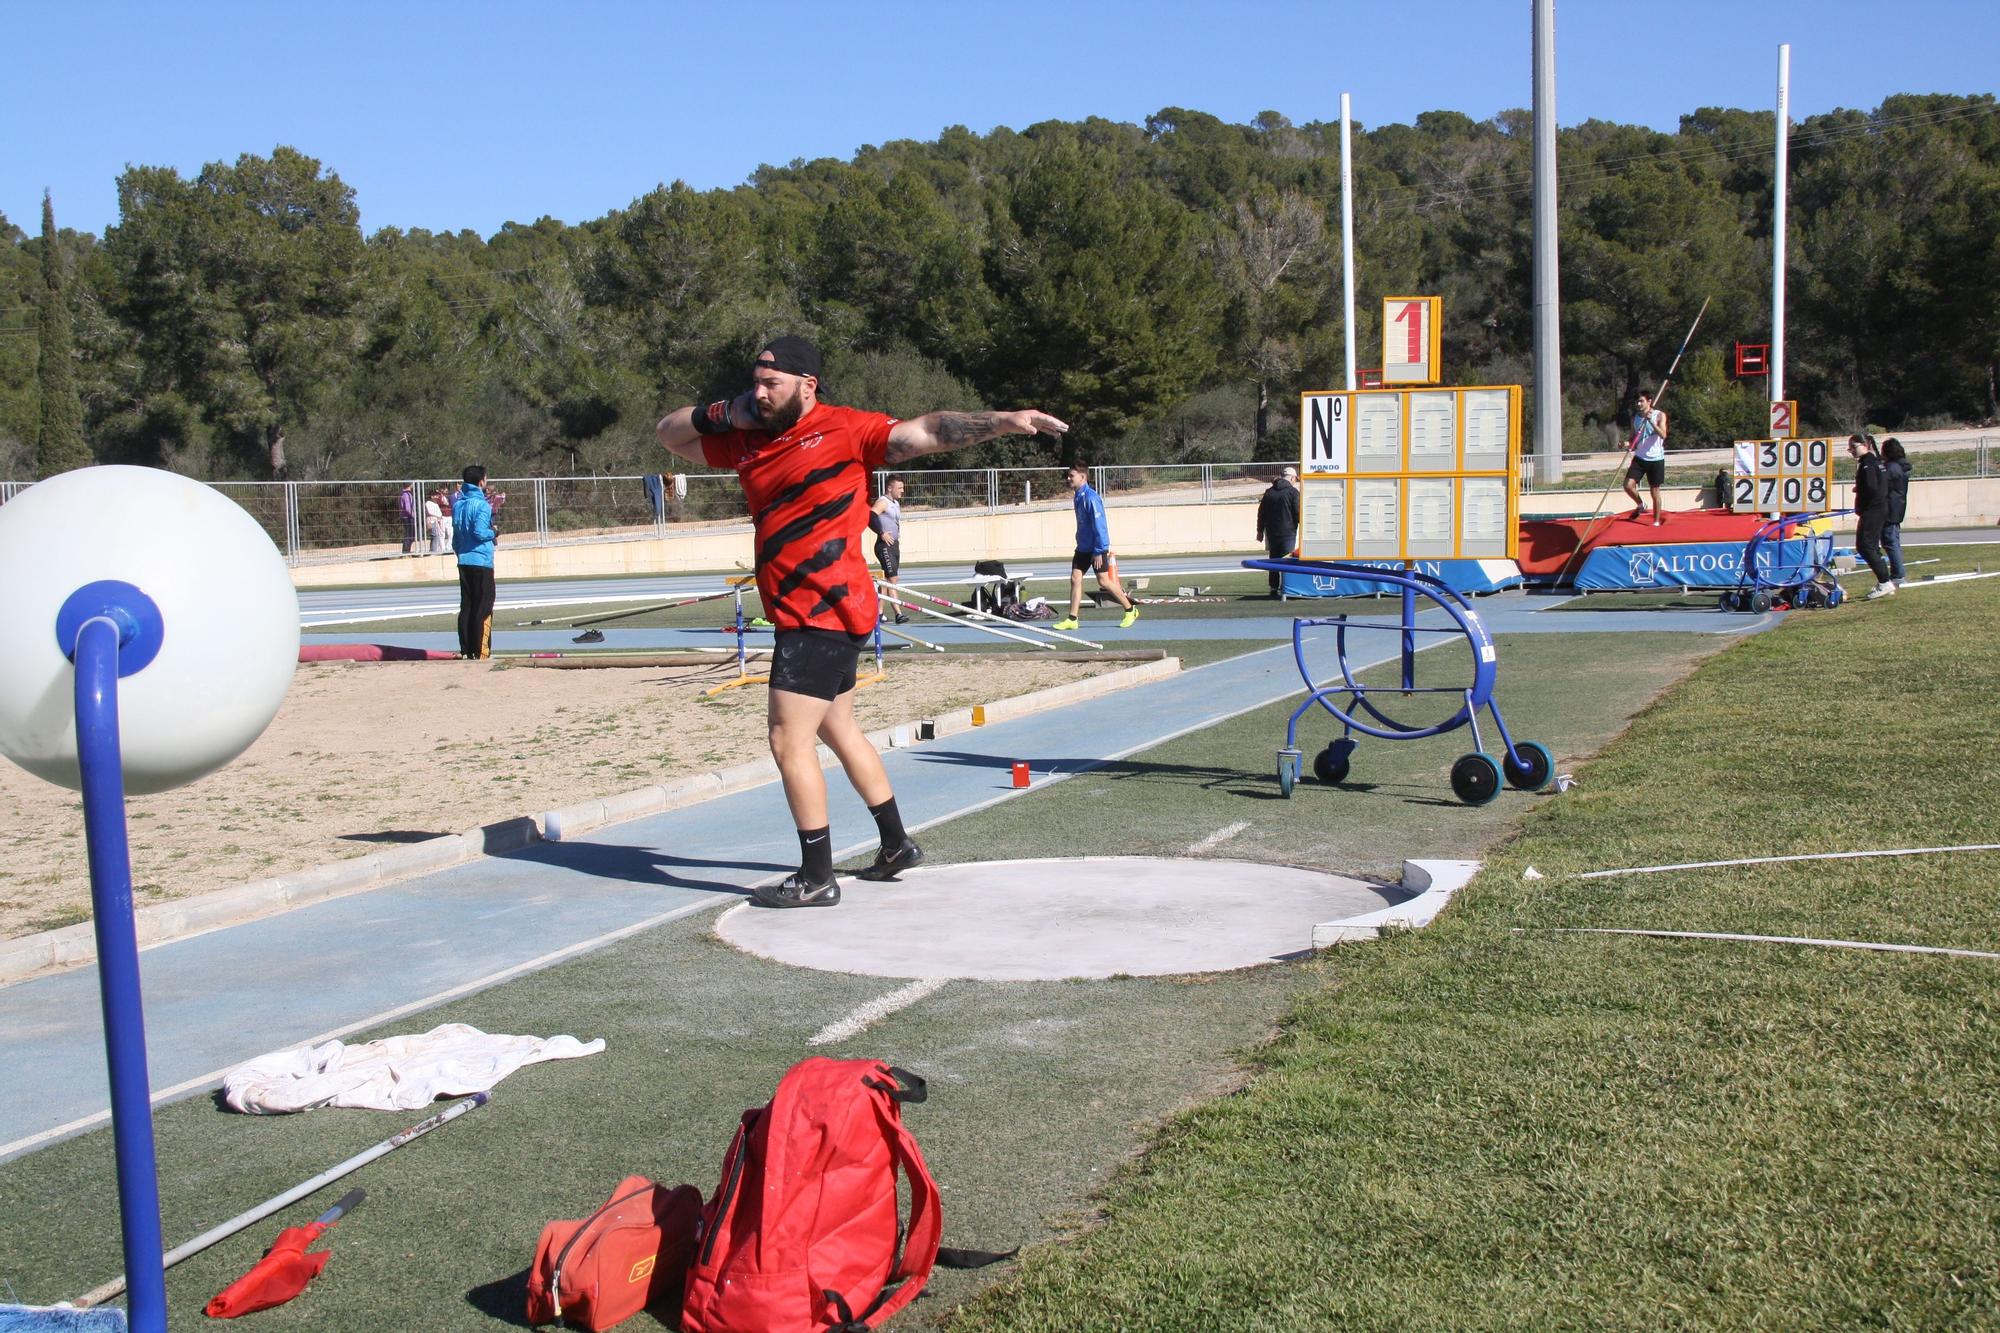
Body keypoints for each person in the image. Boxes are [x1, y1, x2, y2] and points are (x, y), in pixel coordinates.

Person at [655, 335, 1067, 908]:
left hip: (818, 609)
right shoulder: (746, 441)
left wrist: (1004, 420)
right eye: (755, 382)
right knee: (837, 728)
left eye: (771, 383)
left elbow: (927, 431)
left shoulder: (846, 429)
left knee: (786, 738)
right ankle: (896, 844)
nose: (760, 392)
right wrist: (722, 411)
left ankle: (817, 876)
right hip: (825, 609)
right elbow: (671, 435)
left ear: (808, 385)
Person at [1053, 463, 1138, 631]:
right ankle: (1072, 618)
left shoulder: (1091, 498)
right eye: (1068, 475)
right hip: (1083, 547)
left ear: (1082, 477)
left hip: (1096, 549)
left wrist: (1099, 551)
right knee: (1075, 579)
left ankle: (1130, 609)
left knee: (1104, 581)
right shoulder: (1077, 496)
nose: (1068, 478)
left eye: (1072, 476)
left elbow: (1100, 526)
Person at [452, 465, 500, 657]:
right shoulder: (481, 505)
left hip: (463, 560)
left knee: (467, 606)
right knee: (484, 606)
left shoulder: (458, 505)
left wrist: (460, 553)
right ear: (481, 482)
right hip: (481, 561)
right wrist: (494, 532)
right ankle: (481, 650)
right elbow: (480, 532)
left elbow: (456, 537)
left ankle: (466, 649)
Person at [1848, 434, 1895, 599]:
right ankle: (1885, 580)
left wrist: (1860, 491)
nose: (1852, 451)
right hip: (1879, 509)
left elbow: (1872, 488)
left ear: (1865, 445)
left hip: (1873, 510)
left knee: (1865, 546)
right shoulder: (1876, 462)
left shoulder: (1868, 464)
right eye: (1850, 448)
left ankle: (1885, 581)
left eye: (1854, 447)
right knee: (1871, 546)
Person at [1621, 391, 1668, 525]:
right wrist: (1625, 444)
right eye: (1637, 401)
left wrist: (1651, 423)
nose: (1639, 404)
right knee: (1628, 485)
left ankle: (1657, 521)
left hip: (1656, 459)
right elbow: (1633, 440)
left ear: (1649, 401)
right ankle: (1641, 505)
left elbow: (1663, 435)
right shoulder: (1635, 418)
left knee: (1655, 490)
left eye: (1641, 401)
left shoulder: (1659, 415)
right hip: (1640, 458)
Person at [1255, 466, 1301, 598]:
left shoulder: (1269, 492)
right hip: (1288, 532)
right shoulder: (1293, 492)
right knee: (1286, 561)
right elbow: (1297, 512)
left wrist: (1260, 531)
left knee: (1273, 560)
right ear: (1292, 478)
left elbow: (1261, 513)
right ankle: (1287, 587)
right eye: (1295, 479)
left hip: (1272, 532)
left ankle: (1273, 587)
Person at [869, 475, 909, 623]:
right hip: (884, 545)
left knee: (886, 580)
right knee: (893, 578)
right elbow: (870, 516)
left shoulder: (895, 503)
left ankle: (878, 613)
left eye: (902, 488)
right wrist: (881, 533)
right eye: (899, 488)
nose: (902, 491)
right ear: (889, 488)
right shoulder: (882, 502)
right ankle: (898, 613)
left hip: (894, 545)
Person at [1880, 437, 1910, 590]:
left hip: (1890, 510)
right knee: (1893, 542)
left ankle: (1898, 575)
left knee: (1890, 543)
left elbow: (1881, 484)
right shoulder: (1900, 467)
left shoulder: (1892, 468)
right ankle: (1898, 574)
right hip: (1896, 509)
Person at [425, 487, 449, 555]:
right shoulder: (428, 503)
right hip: (431, 521)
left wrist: (439, 516)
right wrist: (438, 516)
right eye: (435, 495)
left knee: (437, 536)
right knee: (435, 535)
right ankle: (433, 551)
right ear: (432, 496)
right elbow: (430, 512)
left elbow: (439, 513)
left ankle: (433, 550)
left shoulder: (435, 504)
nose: (437, 496)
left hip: (437, 521)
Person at [398, 484, 417, 554]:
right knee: (409, 535)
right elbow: (408, 508)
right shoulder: (406, 495)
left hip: (407, 516)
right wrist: (413, 515)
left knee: (410, 535)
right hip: (408, 517)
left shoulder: (404, 494)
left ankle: (407, 550)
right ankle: (406, 551)